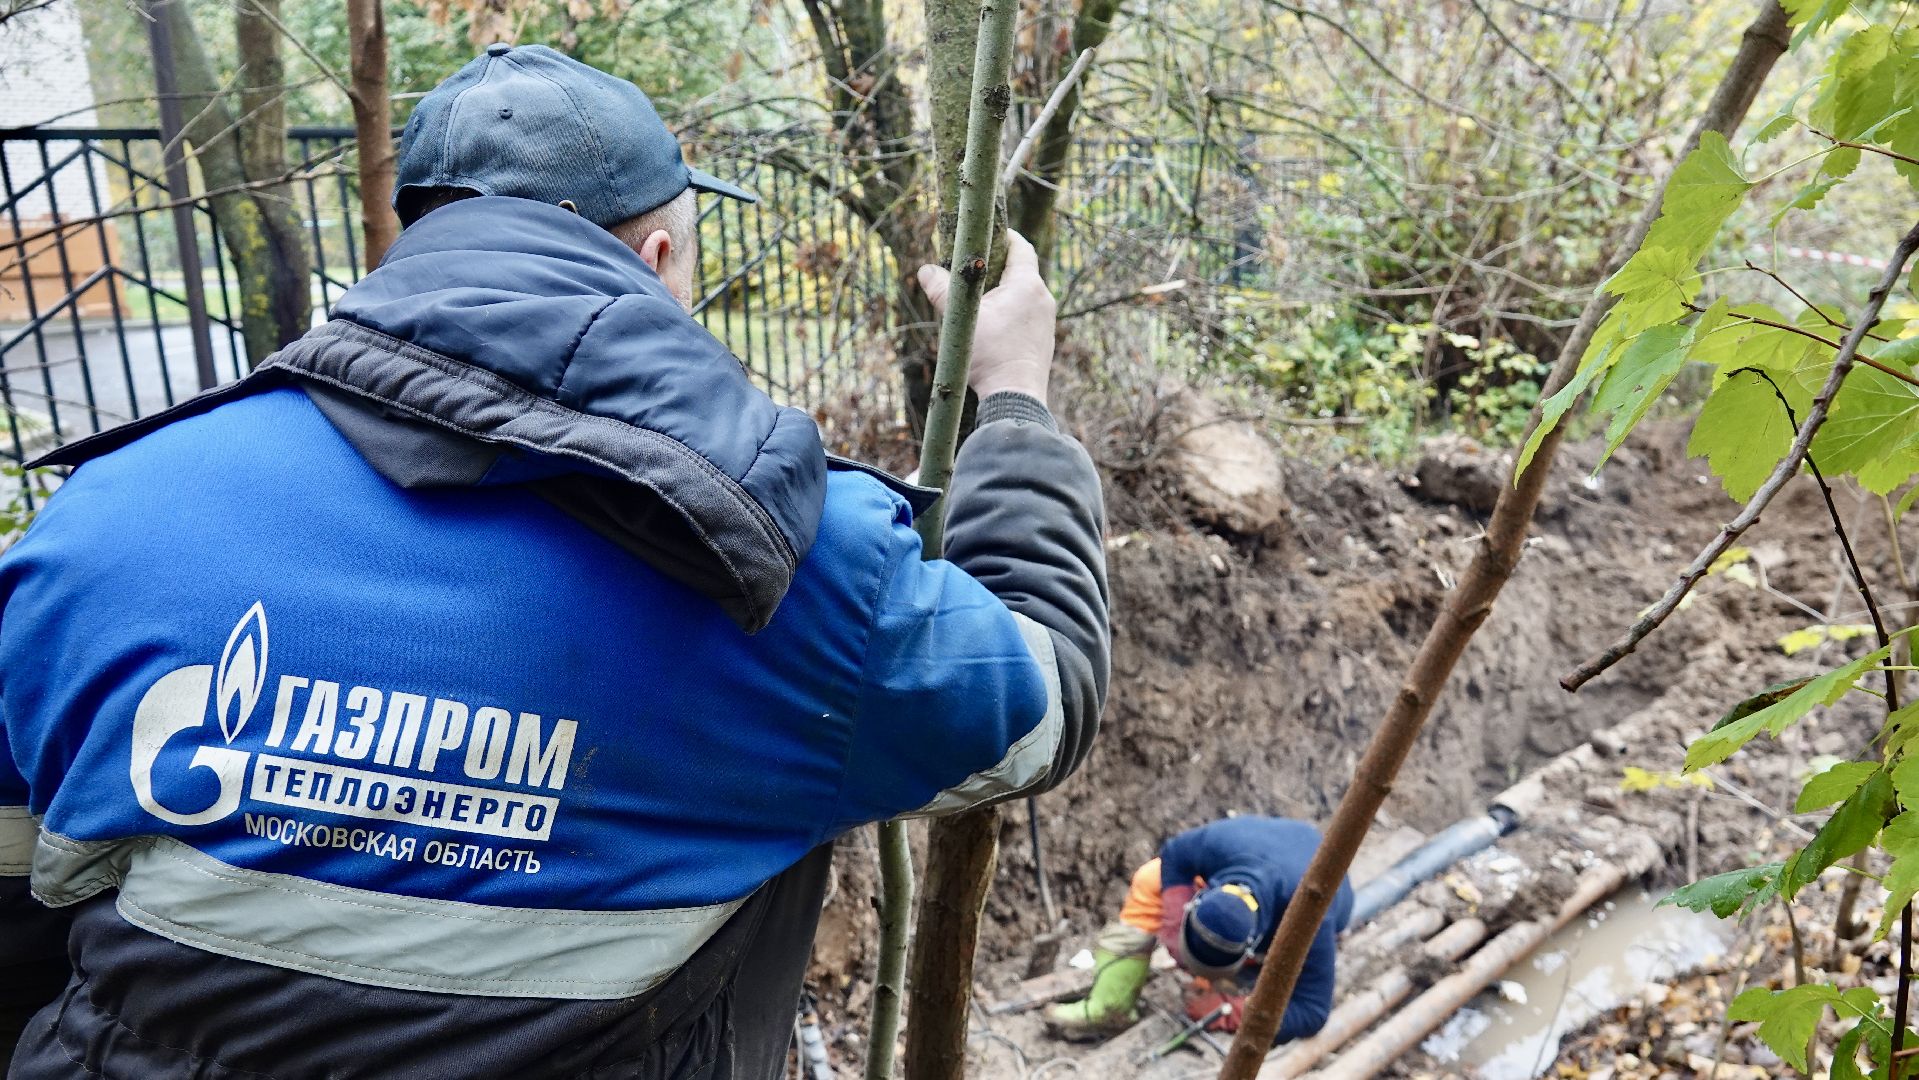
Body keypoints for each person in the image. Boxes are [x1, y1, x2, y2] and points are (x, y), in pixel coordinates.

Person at [0, 44, 1108, 1079]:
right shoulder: (794, 570)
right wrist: (1013, 396)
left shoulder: (100, 520)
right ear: (657, 262)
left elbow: (17, 900)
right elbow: (1045, 696)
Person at [1046, 816, 1352, 1044]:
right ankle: (1111, 1007)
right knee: (1151, 878)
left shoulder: (1310, 918)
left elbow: (1313, 1011)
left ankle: (1241, 974)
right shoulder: (1219, 845)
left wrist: (1226, 1011)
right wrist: (1173, 924)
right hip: (1268, 851)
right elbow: (1174, 855)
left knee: (1283, 969)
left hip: (1307, 893)